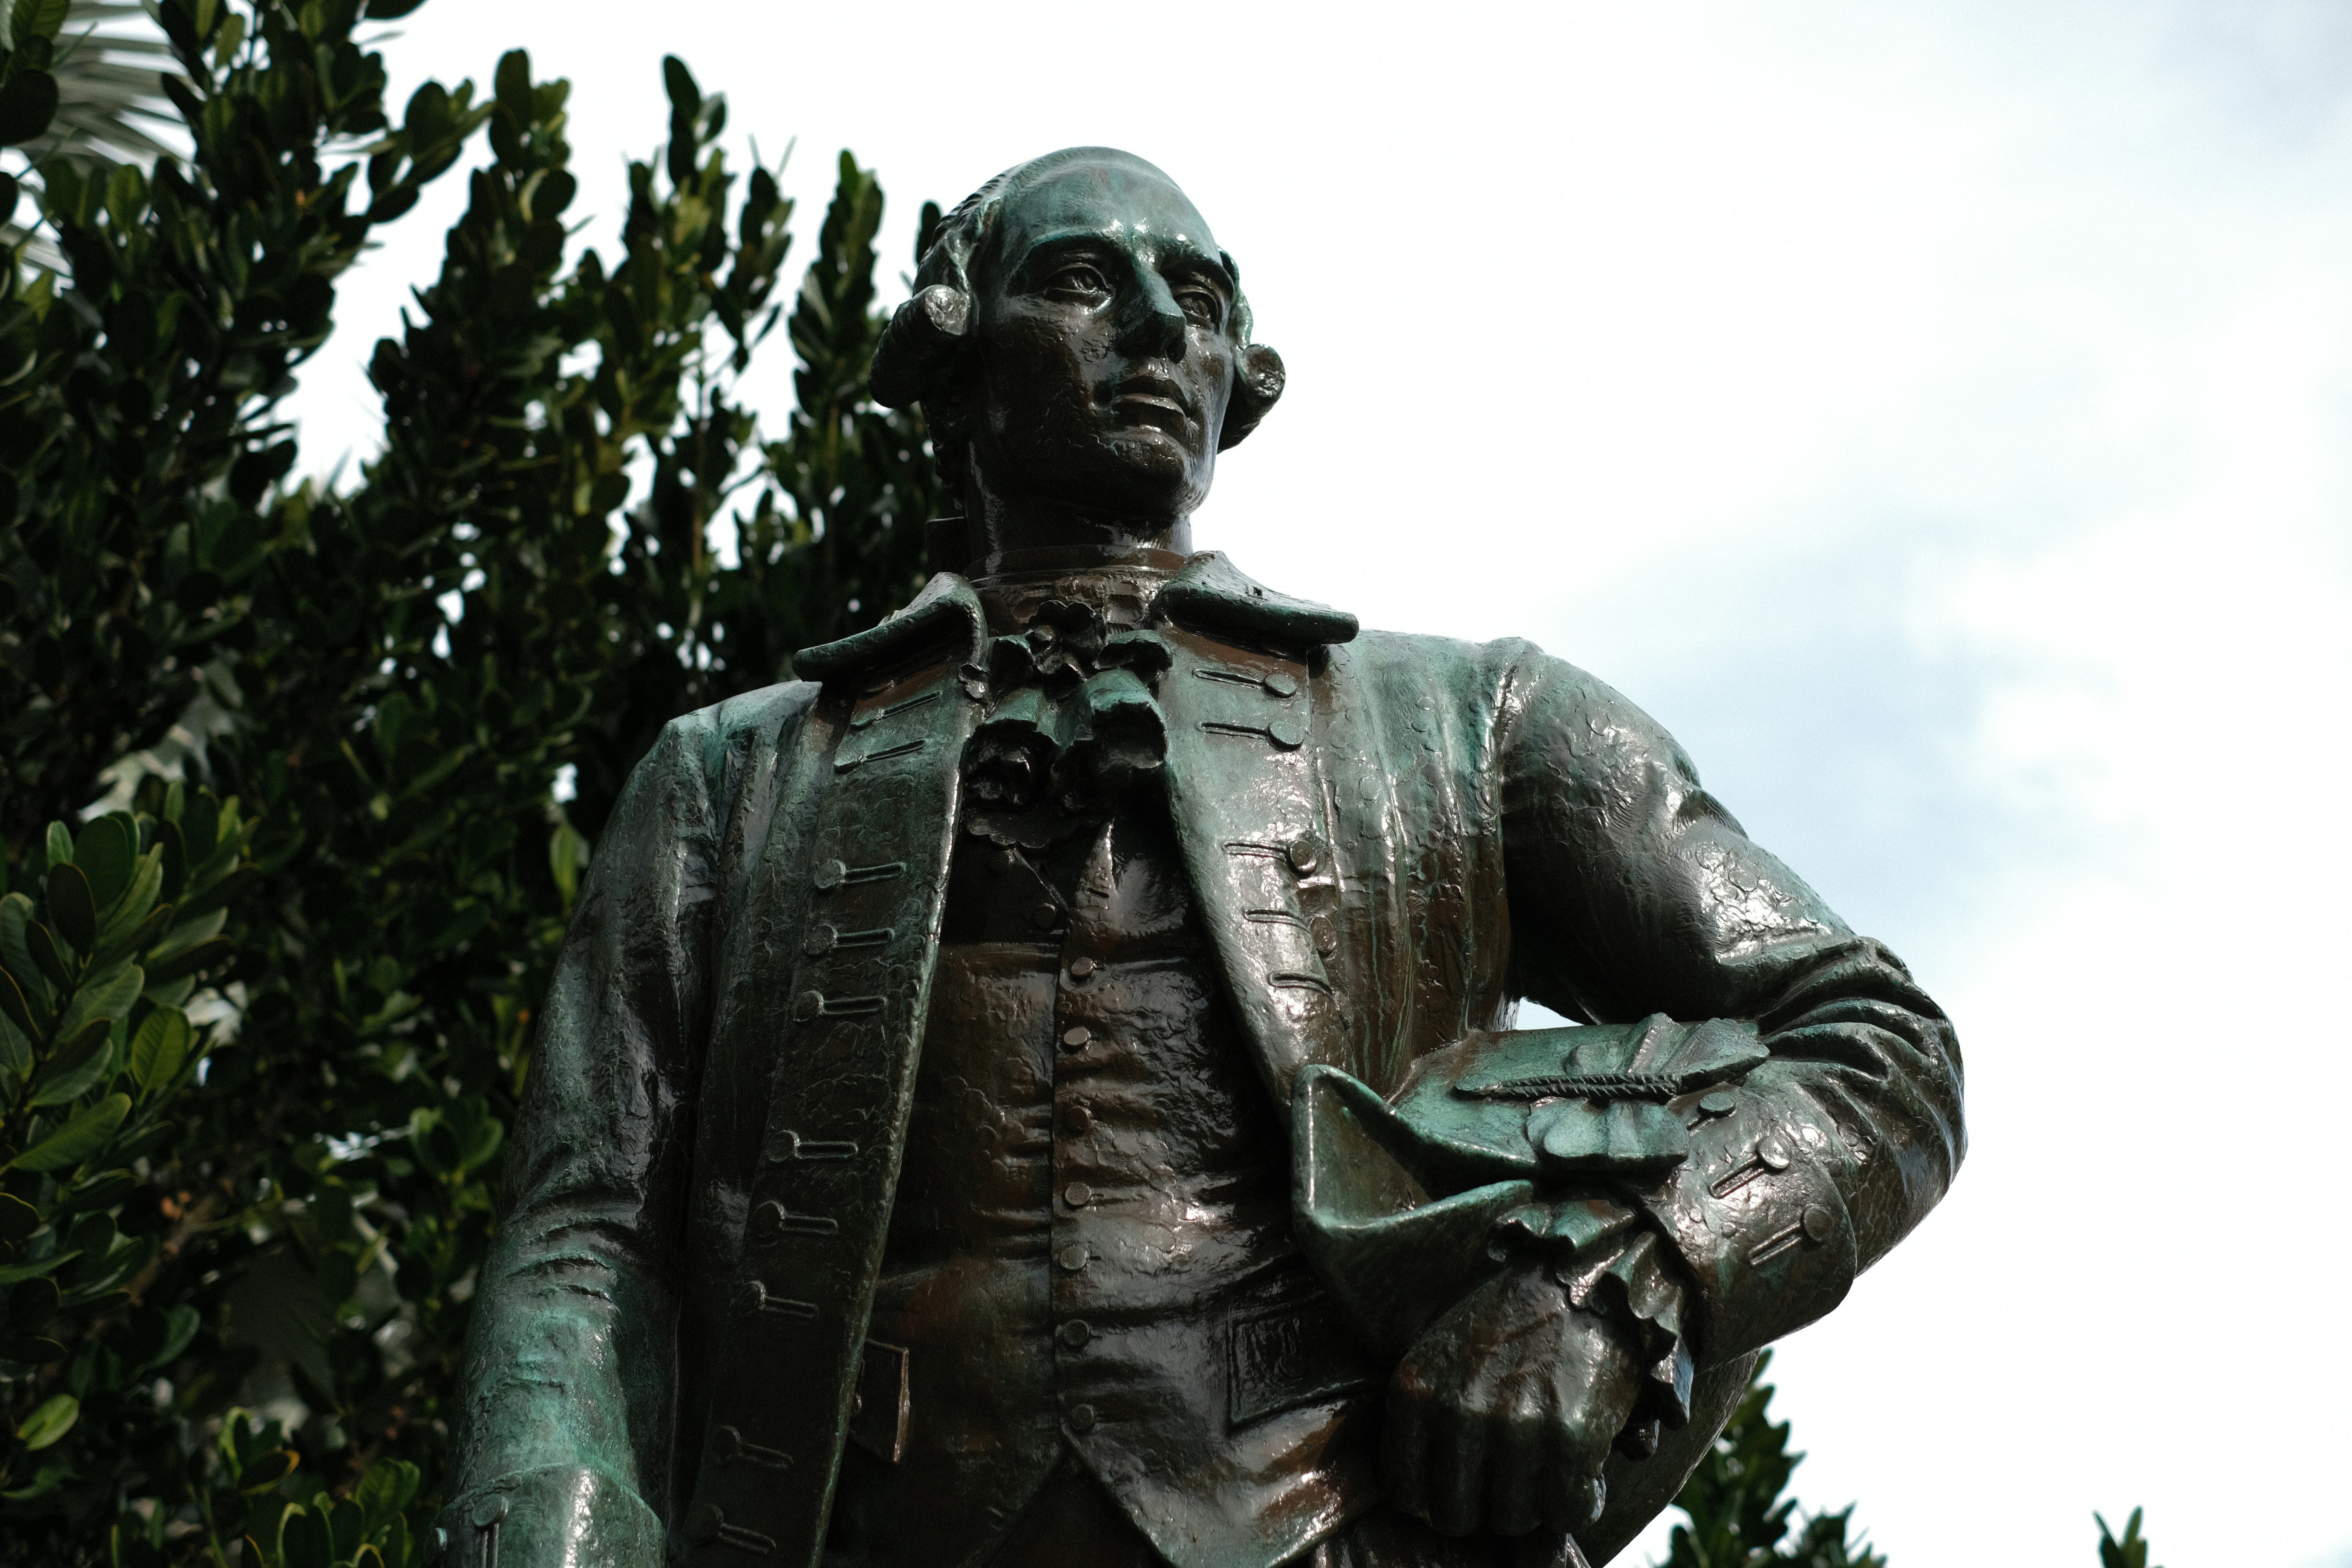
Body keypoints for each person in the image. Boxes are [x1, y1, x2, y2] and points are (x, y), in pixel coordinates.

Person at [435, 147, 1964, 1568]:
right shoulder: (731, 772)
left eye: (1206, 298)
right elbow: (587, 1231)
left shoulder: (1470, 718)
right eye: (1087, 281)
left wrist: (1619, 1279)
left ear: (1241, 385)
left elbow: (1877, 1044)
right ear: (959, 356)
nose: (1161, 325)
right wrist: (545, 1520)